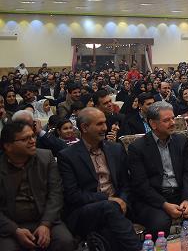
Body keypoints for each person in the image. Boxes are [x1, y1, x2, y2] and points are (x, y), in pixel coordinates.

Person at [127, 102, 188, 239]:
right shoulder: (137, 148)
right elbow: (141, 185)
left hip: (180, 194)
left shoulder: (181, 141)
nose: (172, 123)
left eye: (173, 118)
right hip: (154, 198)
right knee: (160, 224)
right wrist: (164, 205)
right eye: (166, 120)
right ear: (153, 124)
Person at [57, 107, 140, 251]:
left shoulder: (115, 149)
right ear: (84, 127)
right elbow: (73, 195)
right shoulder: (68, 156)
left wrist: (123, 201)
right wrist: (108, 199)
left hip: (117, 208)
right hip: (85, 211)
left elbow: (126, 184)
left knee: (111, 234)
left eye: (105, 123)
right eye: (99, 124)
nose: (105, 128)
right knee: (109, 207)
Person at [0, 121, 75, 251]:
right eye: (25, 139)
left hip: (45, 218)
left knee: (65, 241)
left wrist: (45, 224)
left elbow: (56, 194)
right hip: (11, 224)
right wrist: (14, 230)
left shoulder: (46, 157)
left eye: (33, 136)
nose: (32, 141)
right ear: (8, 146)